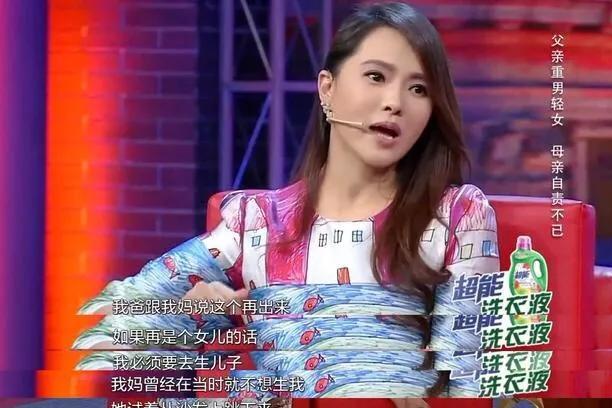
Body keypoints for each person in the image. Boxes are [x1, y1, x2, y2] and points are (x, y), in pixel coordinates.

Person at [73, 2, 499, 408]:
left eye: (419, 89)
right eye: (376, 76)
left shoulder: (458, 216)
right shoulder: (254, 223)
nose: (395, 102)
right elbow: (113, 328)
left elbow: (471, 380)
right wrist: (198, 317)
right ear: (327, 89)